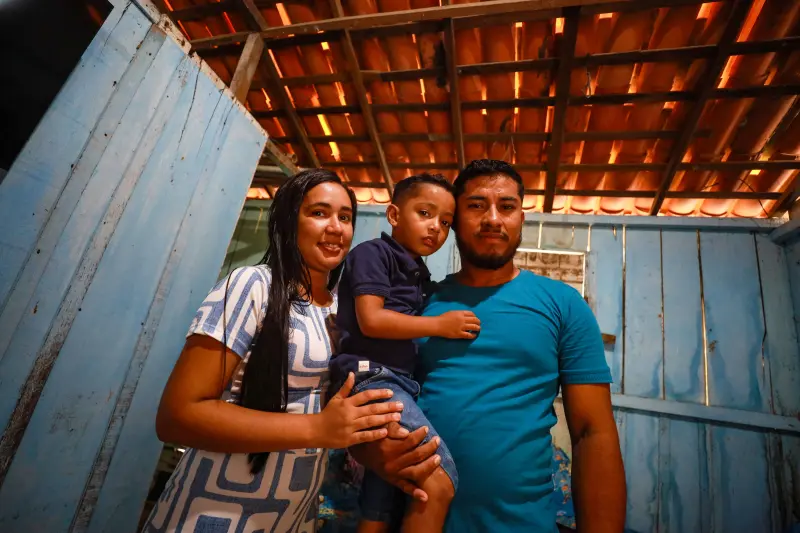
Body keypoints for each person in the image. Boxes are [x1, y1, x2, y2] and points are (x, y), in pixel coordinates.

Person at [351, 159, 627, 533]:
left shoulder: (563, 305)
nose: (493, 219)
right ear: (455, 220)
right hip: (413, 519)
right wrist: (367, 450)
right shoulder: (416, 306)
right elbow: (366, 393)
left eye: (507, 207)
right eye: (477, 205)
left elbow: (593, 432)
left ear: (521, 218)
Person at [141, 169, 404, 533]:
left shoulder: (343, 308)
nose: (336, 227)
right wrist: (317, 428)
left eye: (345, 217)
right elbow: (177, 416)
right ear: (287, 221)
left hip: (294, 516)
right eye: (319, 213)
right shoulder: (253, 285)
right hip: (215, 514)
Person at [330, 173, 479, 533]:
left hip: (396, 381)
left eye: (445, 223)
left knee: (384, 494)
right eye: (425, 213)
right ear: (394, 215)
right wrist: (439, 325)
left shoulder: (418, 273)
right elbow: (372, 320)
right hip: (372, 376)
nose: (436, 228)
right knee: (437, 478)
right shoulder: (373, 253)